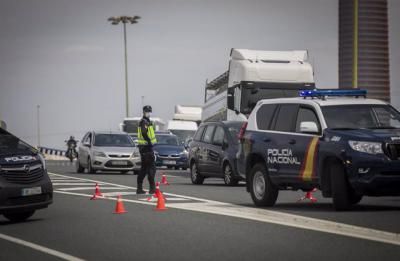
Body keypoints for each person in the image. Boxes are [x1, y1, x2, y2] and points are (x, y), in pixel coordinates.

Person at [137, 105, 157, 194]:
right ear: (144, 112)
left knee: (144, 169)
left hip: (144, 148)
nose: (149, 113)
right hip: (146, 148)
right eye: (147, 111)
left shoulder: (146, 121)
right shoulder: (144, 121)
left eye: (150, 111)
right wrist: (149, 141)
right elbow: (144, 133)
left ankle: (139, 188)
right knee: (151, 168)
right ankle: (152, 189)